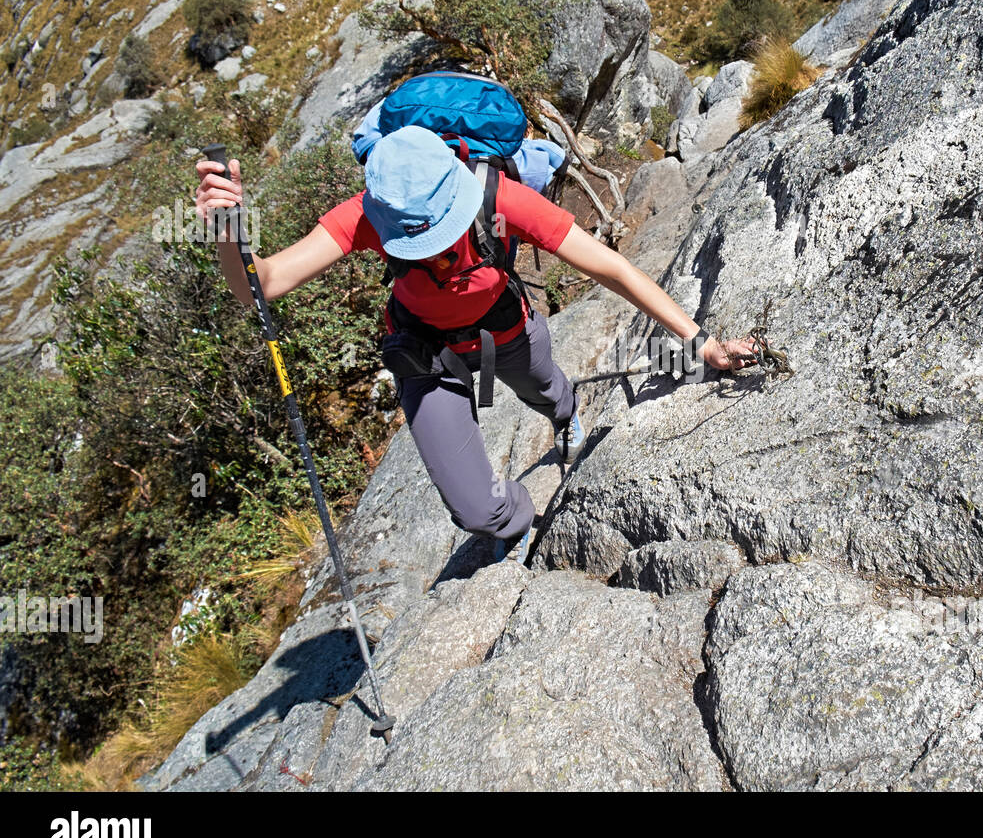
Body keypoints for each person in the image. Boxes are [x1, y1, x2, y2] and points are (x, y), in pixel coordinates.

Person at [196, 126, 754, 562]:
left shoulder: (501, 200)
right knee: (474, 510)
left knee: (548, 390)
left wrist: (700, 342)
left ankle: (565, 416)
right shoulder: (372, 211)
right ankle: (515, 522)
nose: (433, 256)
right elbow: (258, 286)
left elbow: (614, 269)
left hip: (505, 329)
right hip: (425, 353)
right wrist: (227, 231)